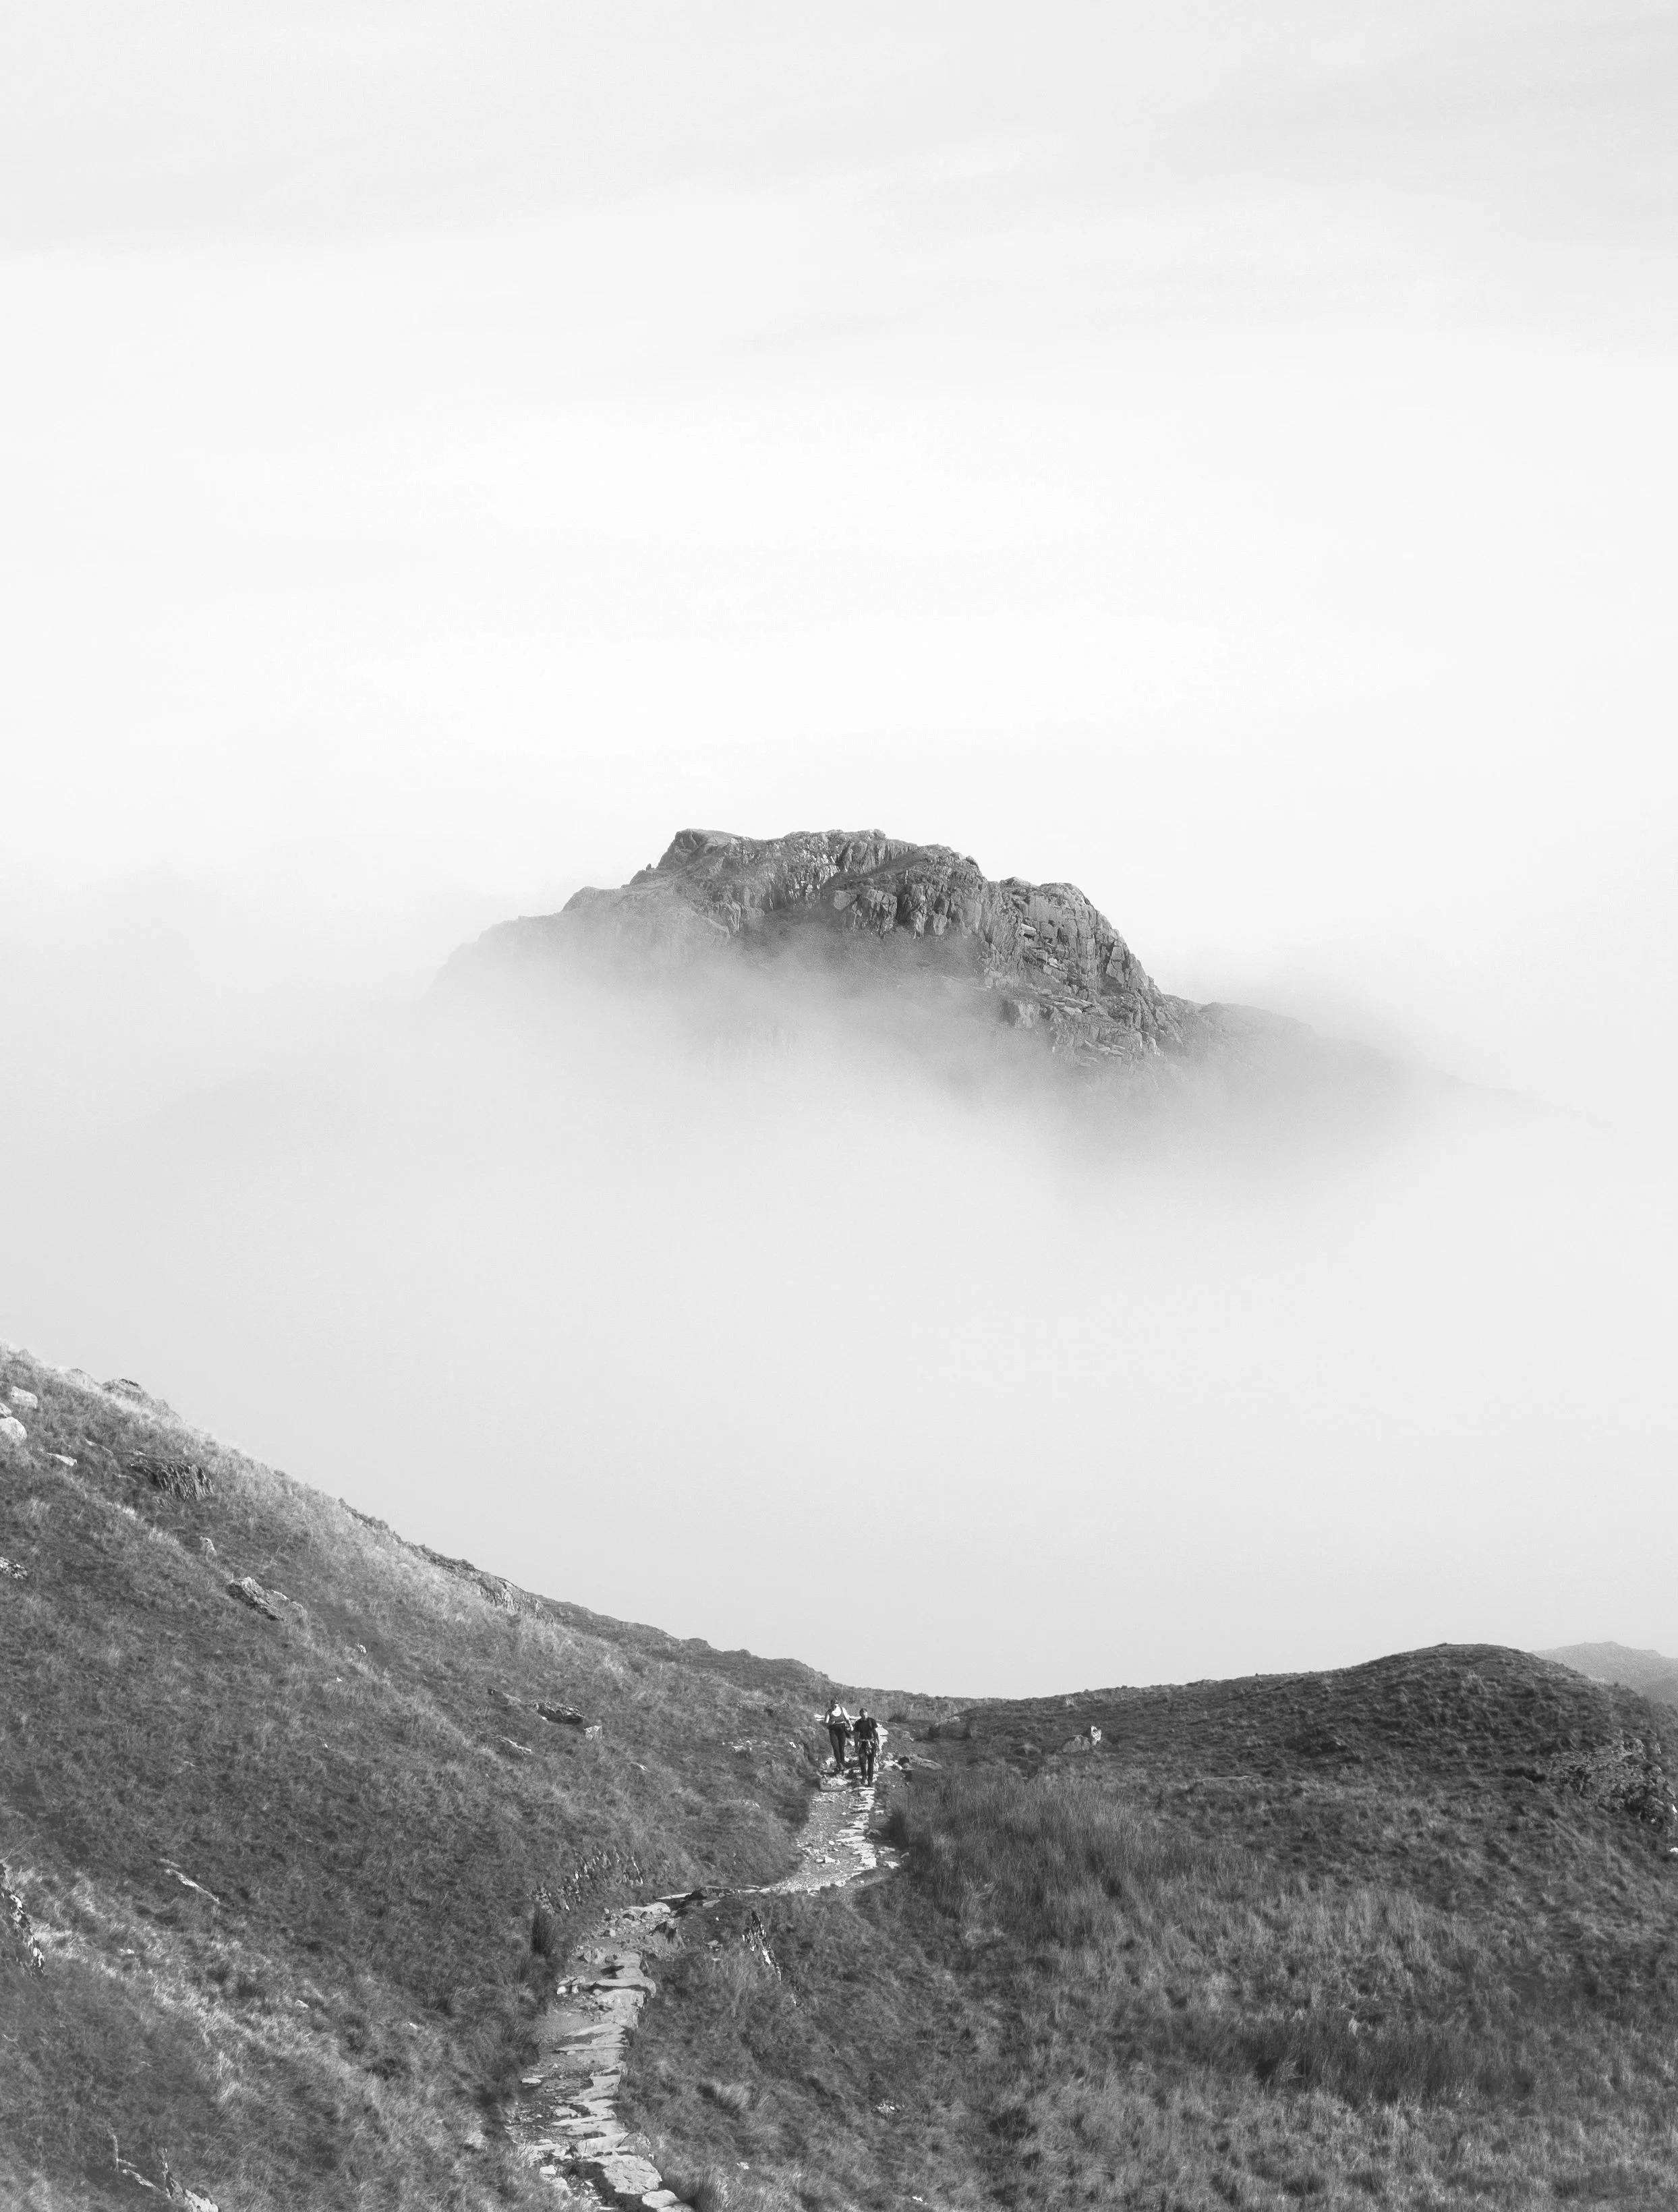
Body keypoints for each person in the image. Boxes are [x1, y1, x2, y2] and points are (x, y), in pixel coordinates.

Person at [824, 1699, 853, 1775]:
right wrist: (830, 1723)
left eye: (836, 1705)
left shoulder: (842, 1710)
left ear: (838, 1705)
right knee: (836, 1748)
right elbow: (825, 1724)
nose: (834, 1707)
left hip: (842, 1730)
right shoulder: (829, 1712)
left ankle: (843, 1764)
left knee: (841, 1748)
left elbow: (847, 1719)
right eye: (833, 1705)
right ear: (831, 1705)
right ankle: (839, 1763)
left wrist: (850, 1725)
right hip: (833, 1731)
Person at [854, 1708, 880, 1784]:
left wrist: (878, 1742)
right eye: (863, 1716)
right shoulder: (858, 1723)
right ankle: (864, 1776)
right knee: (862, 1761)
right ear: (860, 1715)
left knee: (871, 1762)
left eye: (865, 1715)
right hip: (862, 1744)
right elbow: (856, 1735)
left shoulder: (871, 1721)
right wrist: (856, 1746)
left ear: (867, 1714)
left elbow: (875, 1732)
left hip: (871, 1743)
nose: (864, 1717)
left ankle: (870, 1779)